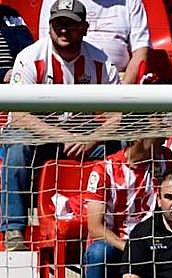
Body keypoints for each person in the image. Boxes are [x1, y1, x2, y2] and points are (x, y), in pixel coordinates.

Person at [1, 0, 119, 253]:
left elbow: (118, 116)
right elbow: (20, 115)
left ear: (85, 28)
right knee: (17, 146)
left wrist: (93, 139)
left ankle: (121, 221)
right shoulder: (31, 58)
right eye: (59, 24)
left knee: (122, 145)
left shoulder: (100, 62)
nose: (64, 30)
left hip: (83, 140)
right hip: (38, 136)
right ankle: (13, 229)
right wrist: (62, 136)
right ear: (50, 26)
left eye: (71, 25)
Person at [82, 136, 172, 278]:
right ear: (139, 136)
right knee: (96, 254)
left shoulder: (165, 159)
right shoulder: (103, 169)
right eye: (157, 131)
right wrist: (130, 248)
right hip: (118, 245)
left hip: (154, 242)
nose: (164, 137)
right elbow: (95, 226)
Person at [38, 0, 148, 83]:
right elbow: (47, 45)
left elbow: (141, 51)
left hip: (117, 79)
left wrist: (122, 93)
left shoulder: (131, 2)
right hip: (65, 76)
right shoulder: (53, 2)